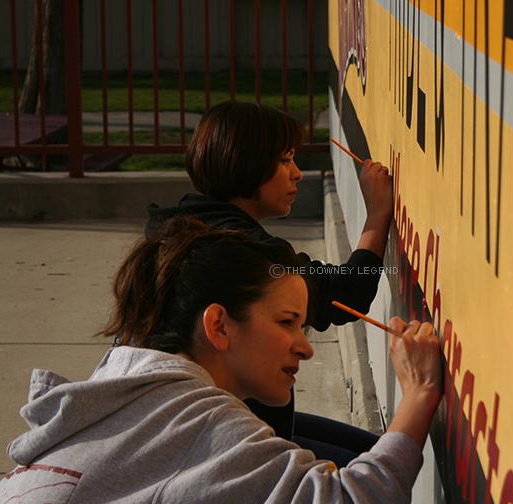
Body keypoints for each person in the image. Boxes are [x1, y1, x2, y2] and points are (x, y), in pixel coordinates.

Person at [0, 217, 442, 504]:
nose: (304, 346)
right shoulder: (186, 422)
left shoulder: (124, 391)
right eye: (288, 321)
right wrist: (418, 394)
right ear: (220, 326)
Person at [147, 101, 394, 451]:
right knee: (375, 469)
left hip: (181, 419)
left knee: (368, 450)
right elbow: (346, 294)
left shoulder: (181, 226)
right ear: (245, 163)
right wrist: (378, 215)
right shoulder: (246, 255)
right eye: (283, 160)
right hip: (216, 442)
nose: (296, 172)